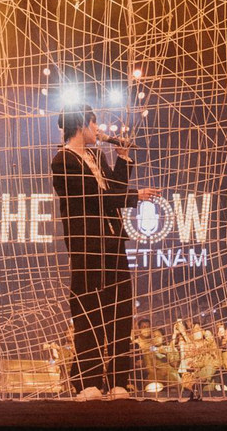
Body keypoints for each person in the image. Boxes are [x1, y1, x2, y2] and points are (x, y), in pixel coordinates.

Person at [50, 105, 159, 401]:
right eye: (95, 123)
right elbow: (97, 197)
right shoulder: (63, 161)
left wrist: (123, 158)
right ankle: (87, 381)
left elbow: (115, 191)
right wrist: (136, 195)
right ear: (82, 124)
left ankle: (118, 381)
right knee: (88, 312)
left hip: (113, 243)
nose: (99, 130)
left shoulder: (97, 155)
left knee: (121, 310)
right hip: (87, 247)